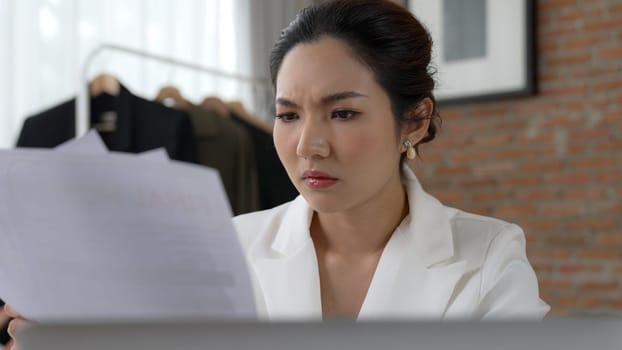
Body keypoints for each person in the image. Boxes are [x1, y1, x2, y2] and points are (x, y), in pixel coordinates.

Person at [5, 0, 549, 344]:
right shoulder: (229, 246)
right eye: (288, 114)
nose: (308, 144)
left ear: (415, 120)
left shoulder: (487, 256)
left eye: (343, 113)